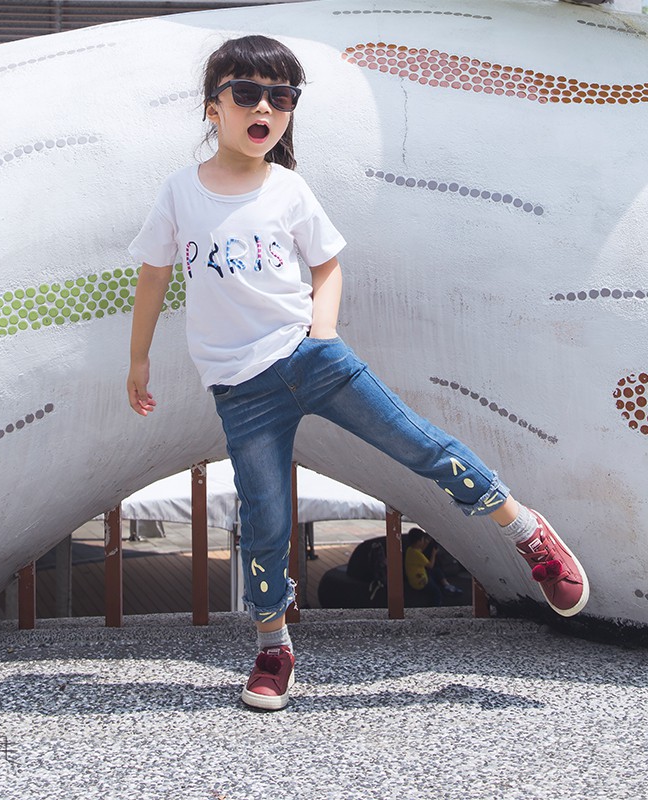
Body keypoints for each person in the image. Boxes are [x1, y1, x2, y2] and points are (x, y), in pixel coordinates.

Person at [126, 35, 589, 711]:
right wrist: (137, 358)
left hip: (312, 358)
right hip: (241, 391)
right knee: (264, 522)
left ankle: (526, 531)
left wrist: (323, 332)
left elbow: (327, 266)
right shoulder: (180, 192)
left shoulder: (289, 188)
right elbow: (153, 275)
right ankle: (273, 648)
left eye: (281, 96)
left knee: (418, 445)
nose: (265, 108)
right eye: (247, 93)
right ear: (212, 107)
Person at [404, 528, 462, 606]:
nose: (423, 541)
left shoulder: (411, 550)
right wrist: (433, 553)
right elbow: (430, 565)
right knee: (437, 592)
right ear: (418, 542)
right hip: (421, 582)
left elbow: (421, 550)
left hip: (416, 576)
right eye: (423, 540)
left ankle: (446, 585)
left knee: (436, 571)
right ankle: (436, 605)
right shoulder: (417, 554)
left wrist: (427, 542)